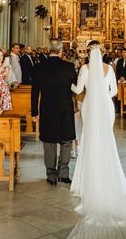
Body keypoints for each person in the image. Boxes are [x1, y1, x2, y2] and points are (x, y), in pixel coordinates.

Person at [68, 41, 126, 239]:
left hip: (91, 106)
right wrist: (102, 94)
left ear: (88, 53)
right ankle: (107, 171)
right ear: (102, 53)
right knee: (107, 140)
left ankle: (86, 180)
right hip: (106, 107)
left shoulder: (85, 68)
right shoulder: (110, 69)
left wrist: (69, 82)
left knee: (88, 139)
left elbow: (78, 91)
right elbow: (113, 92)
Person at [31, 38, 77, 185]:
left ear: (48, 50)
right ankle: (63, 173)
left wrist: (34, 112)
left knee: (49, 142)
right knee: (66, 141)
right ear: (61, 51)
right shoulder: (69, 67)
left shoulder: (39, 67)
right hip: (65, 108)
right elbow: (75, 88)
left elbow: (34, 92)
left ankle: (51, 174)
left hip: (47, 108)